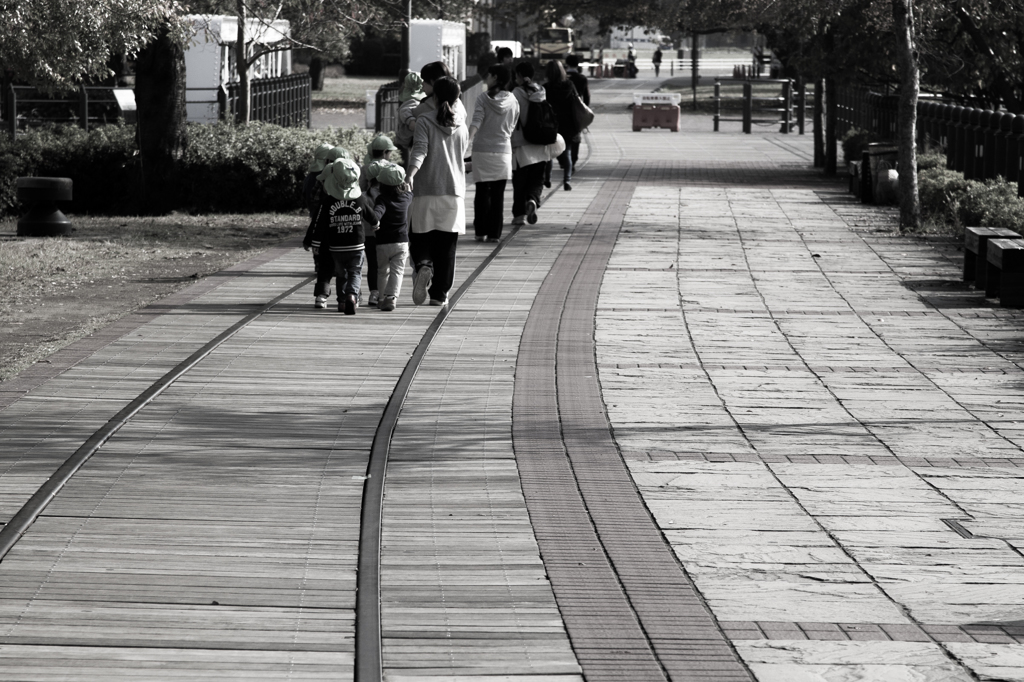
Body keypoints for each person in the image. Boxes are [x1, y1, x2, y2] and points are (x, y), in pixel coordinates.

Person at [406, 76, 469, 307]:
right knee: (447, 245)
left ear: (433, 96)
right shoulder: (461, 124)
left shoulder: (424, 120)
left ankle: (423, 264)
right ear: (457, 97)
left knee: (419, 235)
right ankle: (439, 294)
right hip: (453, 192)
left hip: (426, 188)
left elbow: (420, 150)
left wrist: (410, 175)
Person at [308, 157, 378, 314]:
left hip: (336, 247)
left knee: (341, 274)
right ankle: (352, 295)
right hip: (357, 245)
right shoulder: (360, 199)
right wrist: (376, 224)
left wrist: (316, 244)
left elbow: (320, 225)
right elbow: (371, 215)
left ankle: (341, 302)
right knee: (355, 272)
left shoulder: (328, 202)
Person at [468, 64, 519, 242]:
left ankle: (480, 231)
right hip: (503, 151)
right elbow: (513, 125)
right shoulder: (513, 100)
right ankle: (495, 234)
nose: (485, 79)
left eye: (488, 75)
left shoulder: (483, 98)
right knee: (498, 195)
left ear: (495, 77)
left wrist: (468, 139)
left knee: (482, 192)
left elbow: (477, 121)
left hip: (481, 150)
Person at [303, 144, 351, 309]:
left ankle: (321, 297)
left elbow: (315, 202)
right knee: (345, 268)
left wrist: (310, 238)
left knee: (325, 267)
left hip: (325, 231)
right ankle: (345, 298)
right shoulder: (349, 178)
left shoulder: (322, 177)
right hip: (345, 230)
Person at [367, 160, 412, 312]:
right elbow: (410, 191)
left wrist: (374, 221)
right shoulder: (407, 197)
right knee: (397, 271)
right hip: (401, 242)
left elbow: (378, 212)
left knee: (382, 270)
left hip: (382, 242)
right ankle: (391, 298)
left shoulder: (382, 199)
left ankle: (380, 298)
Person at [360, 133, 398, 308]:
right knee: (387, 264)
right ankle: (387, 293)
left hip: (367, 229)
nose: (390, 155)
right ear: (384, 152)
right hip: (386, 227)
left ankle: (374, 293)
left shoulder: (364, 169)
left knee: (372, 264)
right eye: (389, 152)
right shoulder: (391, 169)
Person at [510, 61, 549, 226]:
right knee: (537, 180)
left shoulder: (516, 93)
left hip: (521, 144)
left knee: (520, 181)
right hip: (540, 143)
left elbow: (511, 118)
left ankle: (519, 215)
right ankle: (533, 200)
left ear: (519, 75)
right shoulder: (541, 91)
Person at [541, 60, 580, 192]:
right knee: (567, 153)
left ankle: (547, 178)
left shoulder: (545, 88)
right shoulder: (569, 85)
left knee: (550, 154)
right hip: (568, 124)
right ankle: (567, 180)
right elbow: (577, 102)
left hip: (551, 124)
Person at [564, 55, 590, 171]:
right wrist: (585, 110)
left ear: (566, 64)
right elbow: (587, 96)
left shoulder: (563, 78)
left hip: (563, 111)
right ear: (578, 64)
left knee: (563, 135)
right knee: (575, 136)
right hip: (577, 111)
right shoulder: (582, 78)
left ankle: (564, 159)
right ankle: (573, 160)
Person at [394, 72, 426, 167]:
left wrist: (411, 121)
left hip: (407, 138)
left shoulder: (410, 101)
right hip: (410, 138)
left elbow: (405, 111)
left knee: (407, 161)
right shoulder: (418, 101)